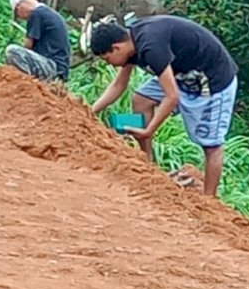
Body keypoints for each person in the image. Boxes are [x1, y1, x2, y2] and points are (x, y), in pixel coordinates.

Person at [90, 15, 238, 197]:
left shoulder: (151, 47)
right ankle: (148, 166)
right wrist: (91, 111)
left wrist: (148, 130)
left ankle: (209, 199)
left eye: (107, 59)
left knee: (211, 145)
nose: (109, 64)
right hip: (181, 77)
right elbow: (119, 85)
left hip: (212, 82)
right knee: (141, 99)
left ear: (116, 47)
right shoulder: (130, 43)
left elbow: (172, 96)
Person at [5, 0, 70, 83]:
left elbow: (28, 46)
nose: (21, 18)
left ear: (20, 7)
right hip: (59, 69)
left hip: (52, 68)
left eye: (17, 13)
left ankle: (25, 84)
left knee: (13, 51)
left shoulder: (36, 14)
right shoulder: (47, 13)